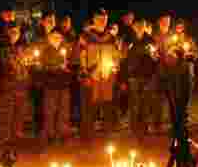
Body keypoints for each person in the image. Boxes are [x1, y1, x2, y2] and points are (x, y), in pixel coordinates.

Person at [79, 8, 120, 139]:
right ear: (94, 19)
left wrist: (115, 68)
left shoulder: (111, 37)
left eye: (104, 19)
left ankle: (107, 132)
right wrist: (85, 72)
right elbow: (81, 55)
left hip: (107, 76)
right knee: (90, 106)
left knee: (108, 105)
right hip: (92, 76)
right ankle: (88, 135)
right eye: (99, 19)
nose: (102, 21)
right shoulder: (86, 36)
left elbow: (116, 55)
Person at [120, 19, 159, 137]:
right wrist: (123, 77)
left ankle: (144, 126)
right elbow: (123, 59)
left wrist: (153, 55)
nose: (140, 28)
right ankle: (134, 127)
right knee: (134, 103)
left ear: (145, 26)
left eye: (142, 26)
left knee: (145, 102)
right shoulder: (128, 40)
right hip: (133, 76)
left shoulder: (150, 40)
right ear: (134, 27)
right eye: (137, 26)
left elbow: (156, 57)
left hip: (147, 75)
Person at [0, 24, 31, 143]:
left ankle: (17, 134)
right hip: (6, 85)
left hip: (21, 85)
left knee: (20, 111)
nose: (14, 35)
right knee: (6, 112)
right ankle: (5, 136)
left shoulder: (24, 48)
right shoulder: (1, 49)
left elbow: (29, 65)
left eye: (16, 32)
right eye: (12, 32)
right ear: (8, 33)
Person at [35, 28, 72, 146]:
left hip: (63, 85)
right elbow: (41, 67)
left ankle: (62, 134)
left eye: (59, 37)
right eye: (54, 37)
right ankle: (49, 134)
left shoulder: (65, 50)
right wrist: (53, 68)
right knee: (50, 111)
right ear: (49, 39)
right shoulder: (45, 52)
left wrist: (66, 68)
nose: (57, 39)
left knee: (63, 111)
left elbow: (71, 65)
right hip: (50, 86)